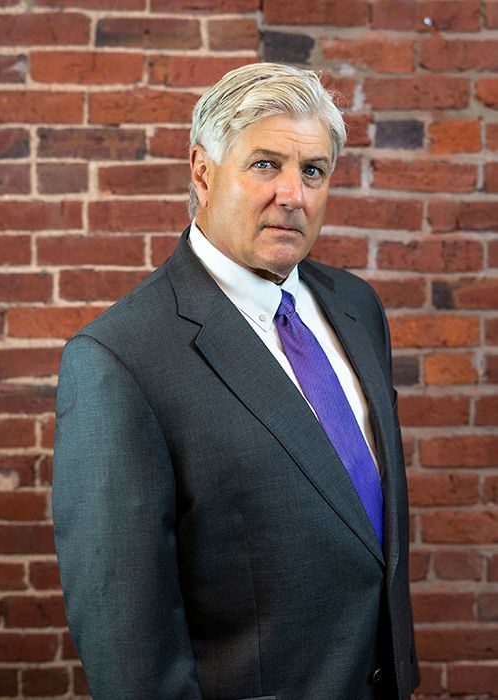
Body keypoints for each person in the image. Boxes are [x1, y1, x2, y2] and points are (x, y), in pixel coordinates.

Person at [53, 62, 419, 700]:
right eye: (265, 165)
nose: (294, 196)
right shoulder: (119, 358)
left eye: (312, 171)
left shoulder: (357, 307)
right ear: (202, 170)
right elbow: (127, 640)